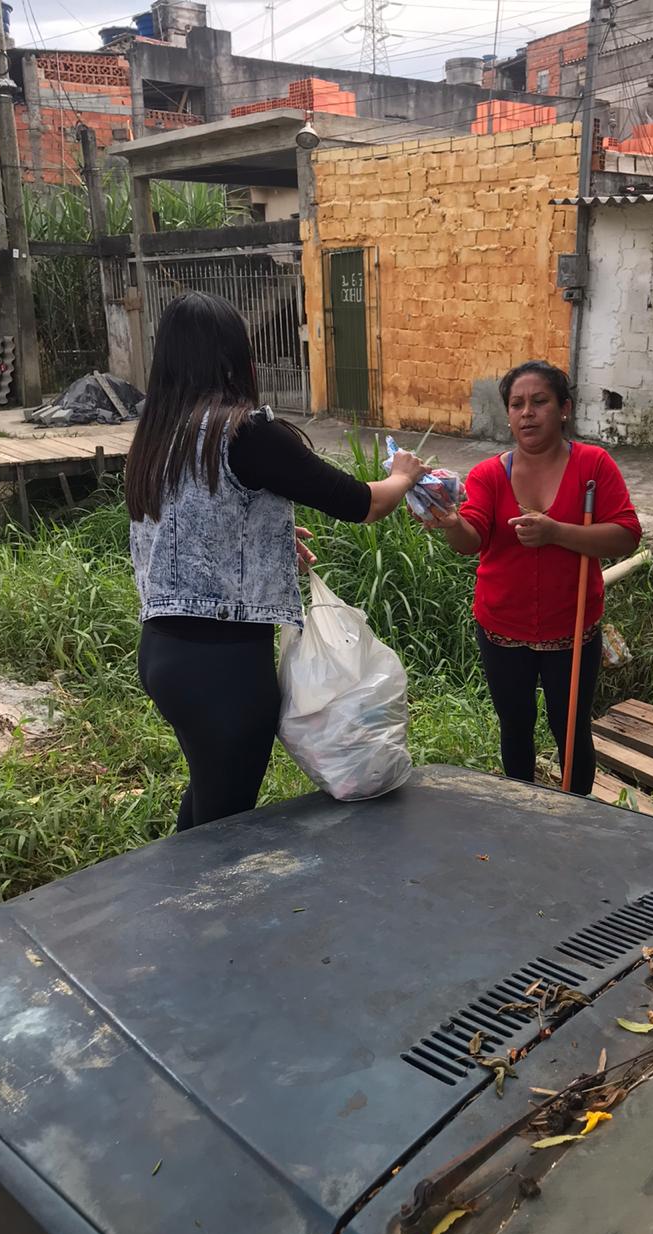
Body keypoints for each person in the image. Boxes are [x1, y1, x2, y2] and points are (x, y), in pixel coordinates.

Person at [126, 291, 426, 831]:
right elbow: (362, 503)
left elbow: (189, 524)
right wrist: (403, 475)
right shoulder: (245, 432)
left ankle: (175, 896)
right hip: (223, 668)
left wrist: (267, 539)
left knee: (210, 794)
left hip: (163, 653)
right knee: (225, 820)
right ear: (236, 356)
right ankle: (199, 911)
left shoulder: (158, 436)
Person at [424, 360, 641, 796]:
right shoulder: (489, 474)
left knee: (573, 731)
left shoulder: (593, 466)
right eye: (517, 404)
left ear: (564, 409)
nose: (527, 413)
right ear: (507, 414)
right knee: (515, 727)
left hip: (572, 629)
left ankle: (577, 814)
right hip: (502, 628)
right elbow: (472, 540)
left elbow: (627, 536)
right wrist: (450, 522)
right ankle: (521, 812)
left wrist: (557, 532)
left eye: (539, 402)